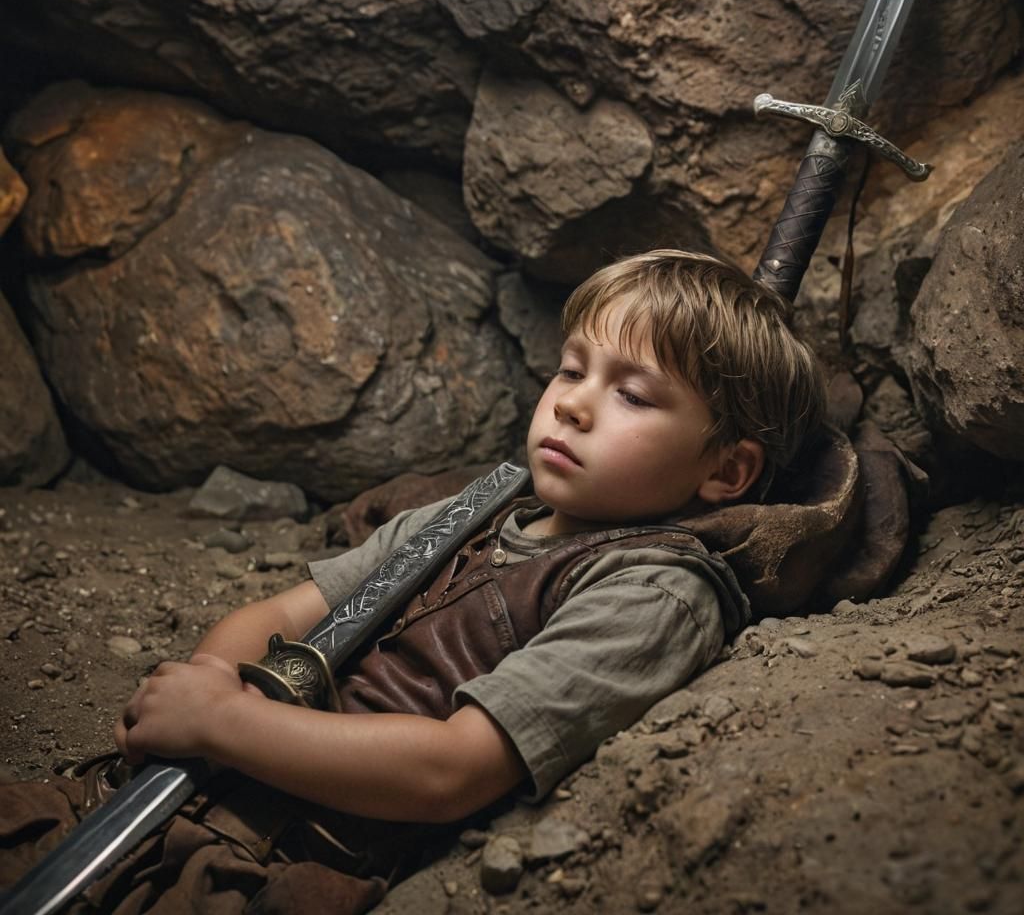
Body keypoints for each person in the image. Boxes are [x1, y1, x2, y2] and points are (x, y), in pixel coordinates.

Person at [0, 249, 827, 914]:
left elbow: (454, 768)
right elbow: (291, 611)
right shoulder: (472, 509)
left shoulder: (654, 590)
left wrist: (220, 725)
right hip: (146, 798)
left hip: (268, 854)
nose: (574, 406)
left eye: (634, 395)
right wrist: (213, 679)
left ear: (726, 471)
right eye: (572, 370)